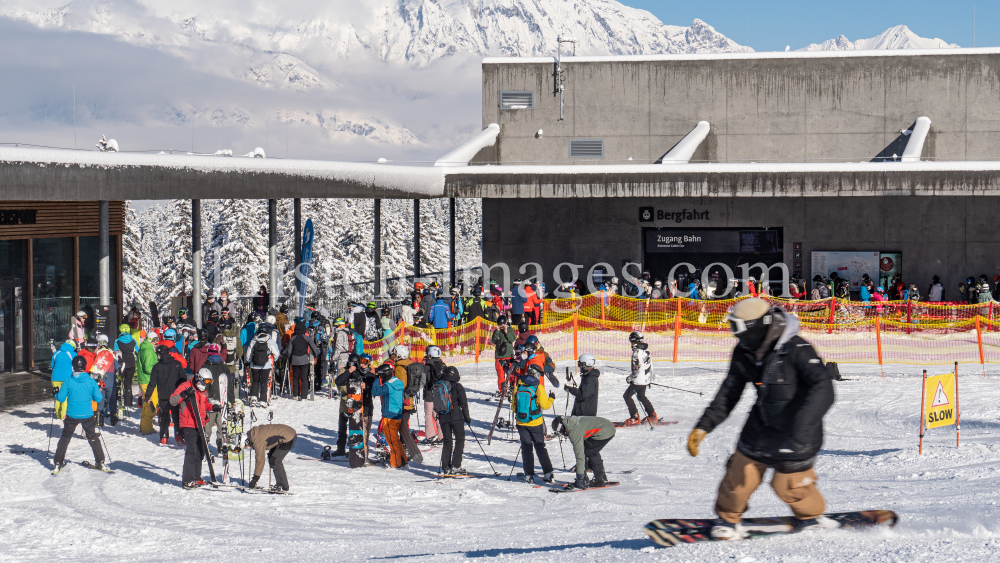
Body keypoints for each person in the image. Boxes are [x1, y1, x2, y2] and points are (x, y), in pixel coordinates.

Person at [687, 298, 836, 540]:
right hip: (761, 426)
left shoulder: (796, 349)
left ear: (757, 325)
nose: (736, 335)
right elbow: (730, 391)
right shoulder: (745, 351)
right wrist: (704, 426)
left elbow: (823, 387)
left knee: (789, 485)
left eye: (739, 329)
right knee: (739, 475)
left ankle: (811, 518)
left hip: (797, 431)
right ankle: (727, 519)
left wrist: (801, 426)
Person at [52, 355, 107, 473]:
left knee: (65, 438)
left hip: (72, 415)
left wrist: (55, 393)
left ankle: (58, 462)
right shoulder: (91, 381)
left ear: (73, 366)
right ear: (85, 366)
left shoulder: (68, 381)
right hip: (87, 415)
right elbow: (98, 398)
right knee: (93, 437)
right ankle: (100, 461)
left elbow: (61, 399)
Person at [170, 370, 221, 488]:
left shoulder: (203, 390)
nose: (207, 385)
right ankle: (187, 480)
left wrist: (212, 407)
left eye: (209, 382)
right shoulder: (185, 386)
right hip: (188, 424)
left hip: (200, 424)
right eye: (206, 381)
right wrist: (183, 395)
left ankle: (196, 477)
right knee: (192, 451)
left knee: (200, 451)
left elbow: (203, 404)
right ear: (199, 379)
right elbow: (172, 400)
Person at [513, 363, 555, 483]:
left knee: (526, 448)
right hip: (535, 422)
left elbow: (514, 407)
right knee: (540, 446)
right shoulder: (538, 387)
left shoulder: (518, 386)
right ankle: (548, 473)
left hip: (521, 422)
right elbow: (545, 405)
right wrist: (551, 398)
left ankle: (529, 475)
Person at [551, 414, 616, 490]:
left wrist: (579, 479)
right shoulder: (571, 422)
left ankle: (599, 480)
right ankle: (598, 477)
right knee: (589, 449)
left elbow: (580, 455)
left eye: (559, 431)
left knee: (590, 451)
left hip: (606, 431)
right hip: (605, 426)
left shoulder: (574, 431)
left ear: (562, 427)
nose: (561, 434)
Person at [144, 345, 187, 446]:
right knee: (177, 416)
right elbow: (183, 379)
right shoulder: (177, 364)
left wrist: (148, 395)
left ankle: (164, 437)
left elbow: (152, 383)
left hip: (163, 395)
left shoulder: (157, 367)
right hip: (176, 395)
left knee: (164, 417)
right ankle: (178, 436)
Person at [435, 366, 471, 474]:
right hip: (456, 416)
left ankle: (446, 466)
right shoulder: (458, 386)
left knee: (447, 441)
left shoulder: (439, 385)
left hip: (443, 416)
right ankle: (456, 465)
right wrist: (467, 417)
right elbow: (463, 404)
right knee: (459, 440)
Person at [371, 364, 408, 468]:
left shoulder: (389, 386)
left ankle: (396, 463)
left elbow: (375, 391)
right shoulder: (397, 382)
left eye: (382, 375)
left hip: (389, 416)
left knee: (392, 441)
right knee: (396, 440)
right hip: (397, 415)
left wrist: (377, 379)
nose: (381, 377)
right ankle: (403, 461)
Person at [246, 424, 297, 491]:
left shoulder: (257, 441)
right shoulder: (254, 433)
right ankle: (284, 486)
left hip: (288, 437)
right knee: (272, 458)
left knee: (275, 461)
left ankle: (281, 485)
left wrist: (255, 479)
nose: (247, 447)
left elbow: (260, 460)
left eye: (246, 446)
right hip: (287, 433)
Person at [621, 331, 657, 425]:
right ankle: (652, 415)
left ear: (633, 341)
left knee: (627, 396)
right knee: (641, 396)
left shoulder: (636, 353)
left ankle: (635, 417)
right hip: (645, 379)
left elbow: (636, 370)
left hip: (638, 381)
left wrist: (630, 378)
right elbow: (650, 365)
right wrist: (649, 379)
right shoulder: (646, 350)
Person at [332, 354, 363, 457]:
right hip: (345, 404)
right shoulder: (343, 371)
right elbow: (341, 387)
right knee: (342, 429)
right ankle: (340, 448)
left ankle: (354, 450)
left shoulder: (360, 372)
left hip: (357, 405)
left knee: (355, 427)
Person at [283, 321, 319, 401]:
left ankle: (295, 395)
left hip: (295, 360)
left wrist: (288, 357)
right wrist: (315, 356)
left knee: (295, 377)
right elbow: (314, 348)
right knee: (304, 378)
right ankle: (304, 396)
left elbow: (289, 351)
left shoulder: (293, 338)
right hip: (304, 360)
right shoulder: (307, 338)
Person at [244, 328, 280, 405]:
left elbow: (248, 353)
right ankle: (263, 400)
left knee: (255, 381)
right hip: (266, 366)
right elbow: (276, 353)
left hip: (254, 365)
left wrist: (249, 361)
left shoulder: (254, 340)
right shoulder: (270, 341)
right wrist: (274, 360)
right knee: (264, 382)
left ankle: (253, 397)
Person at [422, 345, 446, 444]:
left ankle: (430, 435)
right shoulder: (443, 365)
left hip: (429, 392)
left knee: (428, 414)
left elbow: (423, 381)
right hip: (439, 393)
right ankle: (442, 435)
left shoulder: (426, 366)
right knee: (437, 415)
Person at [490, 315, 517, 400]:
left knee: (511, 374)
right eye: (500, 325)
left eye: (503, 325)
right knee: (501, 375)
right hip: (499, 356)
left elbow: (512, 339)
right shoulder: (497, 331)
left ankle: (513, 389)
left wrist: (506, 332)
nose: (501, 327)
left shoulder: (509, 329)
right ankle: (503, 391)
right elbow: (493, 340)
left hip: (508, 356)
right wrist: (497, 331)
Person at [113, 324, 138, 410]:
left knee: (119, 383)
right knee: (128, 383)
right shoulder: (133, 340)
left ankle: (117, 402)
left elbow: (114, 352)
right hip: (131, 363)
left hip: (121, 363)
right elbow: (138, 351)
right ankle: (128, 402)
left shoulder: (117, 341)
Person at [50, 340, 77, 420]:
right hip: (66, 378)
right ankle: (63, 416)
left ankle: (58, 414)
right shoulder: (73, 354)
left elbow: (52, 365)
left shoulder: (56, 353)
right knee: (65, 397)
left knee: (57, 394)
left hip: (55, 378)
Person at [137, 332, 157, 432]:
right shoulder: (148, 350)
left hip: (144, 379)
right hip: (148, 380)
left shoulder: (144, 348)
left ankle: (144, 427)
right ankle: (147, 429)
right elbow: (148, 368)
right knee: (151, 404)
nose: (157, 343)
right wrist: (158, 370)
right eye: (156, 340)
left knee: (146, 404)